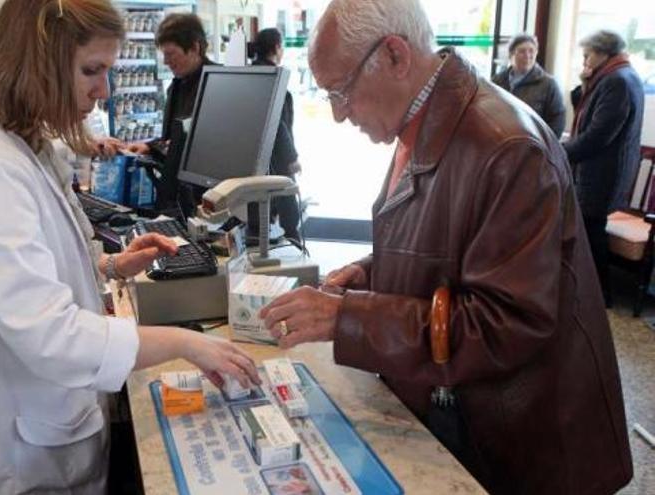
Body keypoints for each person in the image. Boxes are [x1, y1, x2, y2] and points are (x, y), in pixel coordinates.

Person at [259, 1, 632, 493]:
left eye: (341, 91)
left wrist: (346, 318)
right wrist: (377, 271)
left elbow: (506, 325)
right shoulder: (427, 116)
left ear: (395, 56)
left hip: (519, 444)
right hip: (468, 411)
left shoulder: (505, 146)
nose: (337, 113)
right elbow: (462, 246)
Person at [0, 1, 259, 493]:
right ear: (35, 61)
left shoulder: (21, 137)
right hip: (16, 446)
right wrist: (187, 343)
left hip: (48, 417)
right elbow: (47, 333)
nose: (102, 91)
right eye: (91, 71)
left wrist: (113, 263)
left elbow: (38, 262)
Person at [563, 30, 645, 303]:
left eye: (587, 55)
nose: (584, 61)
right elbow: (585, 115)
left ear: (601, 53)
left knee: (591, 232)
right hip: (603, 172)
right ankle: (594, 291)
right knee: (590, 229)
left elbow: (598, 135)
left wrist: (558, 151)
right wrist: (584, 83)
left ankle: (599, 294)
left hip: (602, 174)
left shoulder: (617, 81)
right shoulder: (617, 75)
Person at [124, 13, 216, 208]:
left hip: (206, 198)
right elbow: (173, 139)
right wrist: (150, 147)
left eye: (171, 54)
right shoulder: (176, 86)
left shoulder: (218, 84)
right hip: (175, 195)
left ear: (194, 47)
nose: (166, 62)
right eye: (164, 55)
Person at [248, 28, 302, 241]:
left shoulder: (249, 75)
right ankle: (293, 244)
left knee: (258, 209)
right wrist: (291, 157)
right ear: (277, 48)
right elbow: (279, 124)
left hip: (250, 156)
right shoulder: (273, 79)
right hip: (275, 155)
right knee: (287, 207)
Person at [492, 33, 566, 137]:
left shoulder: (548, 84)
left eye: (532, 51)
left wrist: (544, 146)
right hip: (501, 141)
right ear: (511, 54)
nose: (527, 55)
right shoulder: (497, 81)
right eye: (522, 51)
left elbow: (557, 121)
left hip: (532, 145)